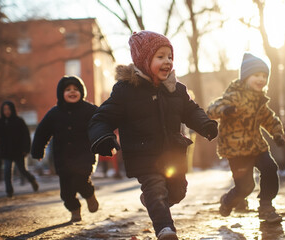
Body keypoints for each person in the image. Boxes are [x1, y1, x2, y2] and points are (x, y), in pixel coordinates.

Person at [88, 30, 218, 240]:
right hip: (143, 154)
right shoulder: (126, 91)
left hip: (172, 154)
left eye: (170, 56)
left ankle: (152, 201)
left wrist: (206, 125)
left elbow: (191, 110)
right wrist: (103, 137)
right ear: (143, 60)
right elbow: (101, 118)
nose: (167, 61)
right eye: (160, 57)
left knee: (177, 192)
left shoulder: (176, 89)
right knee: (156, 189)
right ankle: (165, 229)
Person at [207, 53, 285, 223]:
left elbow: (269, 119)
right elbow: (212, 109)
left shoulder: (260, 100)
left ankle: (266, 206)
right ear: (246, 77)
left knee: (270, 168)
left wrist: (277, 133)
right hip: (236, 149)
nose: (261, 79)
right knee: (245, 187)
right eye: (256, 75)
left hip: (257, 146)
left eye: (264, 76)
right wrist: (224, 110)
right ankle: (227, 201)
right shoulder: (234, 95)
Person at [31, 76, 99, 222]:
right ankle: (74, 211)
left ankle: (89, 194)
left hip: (84, 156)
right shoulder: (54, 113)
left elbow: (101, 125)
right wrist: (38, 150)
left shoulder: (90, 110)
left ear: (82, 92)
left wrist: (105, 142)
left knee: (81, 181)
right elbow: (42, 131)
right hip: (63, 159)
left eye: (75, 89)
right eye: (68, 90)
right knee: (66, 192)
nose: (72, 92)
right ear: (61, 93)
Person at [0, 101, 38, 198]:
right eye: (4, 109)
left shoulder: (19, 121)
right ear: (2, 110)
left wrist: (26, 149)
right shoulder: (0, 122)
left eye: (8, 109)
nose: (7, 111)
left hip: (19, 151)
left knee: (22, 170)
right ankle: (9, 191)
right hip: (6, 151)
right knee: (7, 171)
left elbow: (26, 136)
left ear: (12, 110)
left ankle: (32, 180)